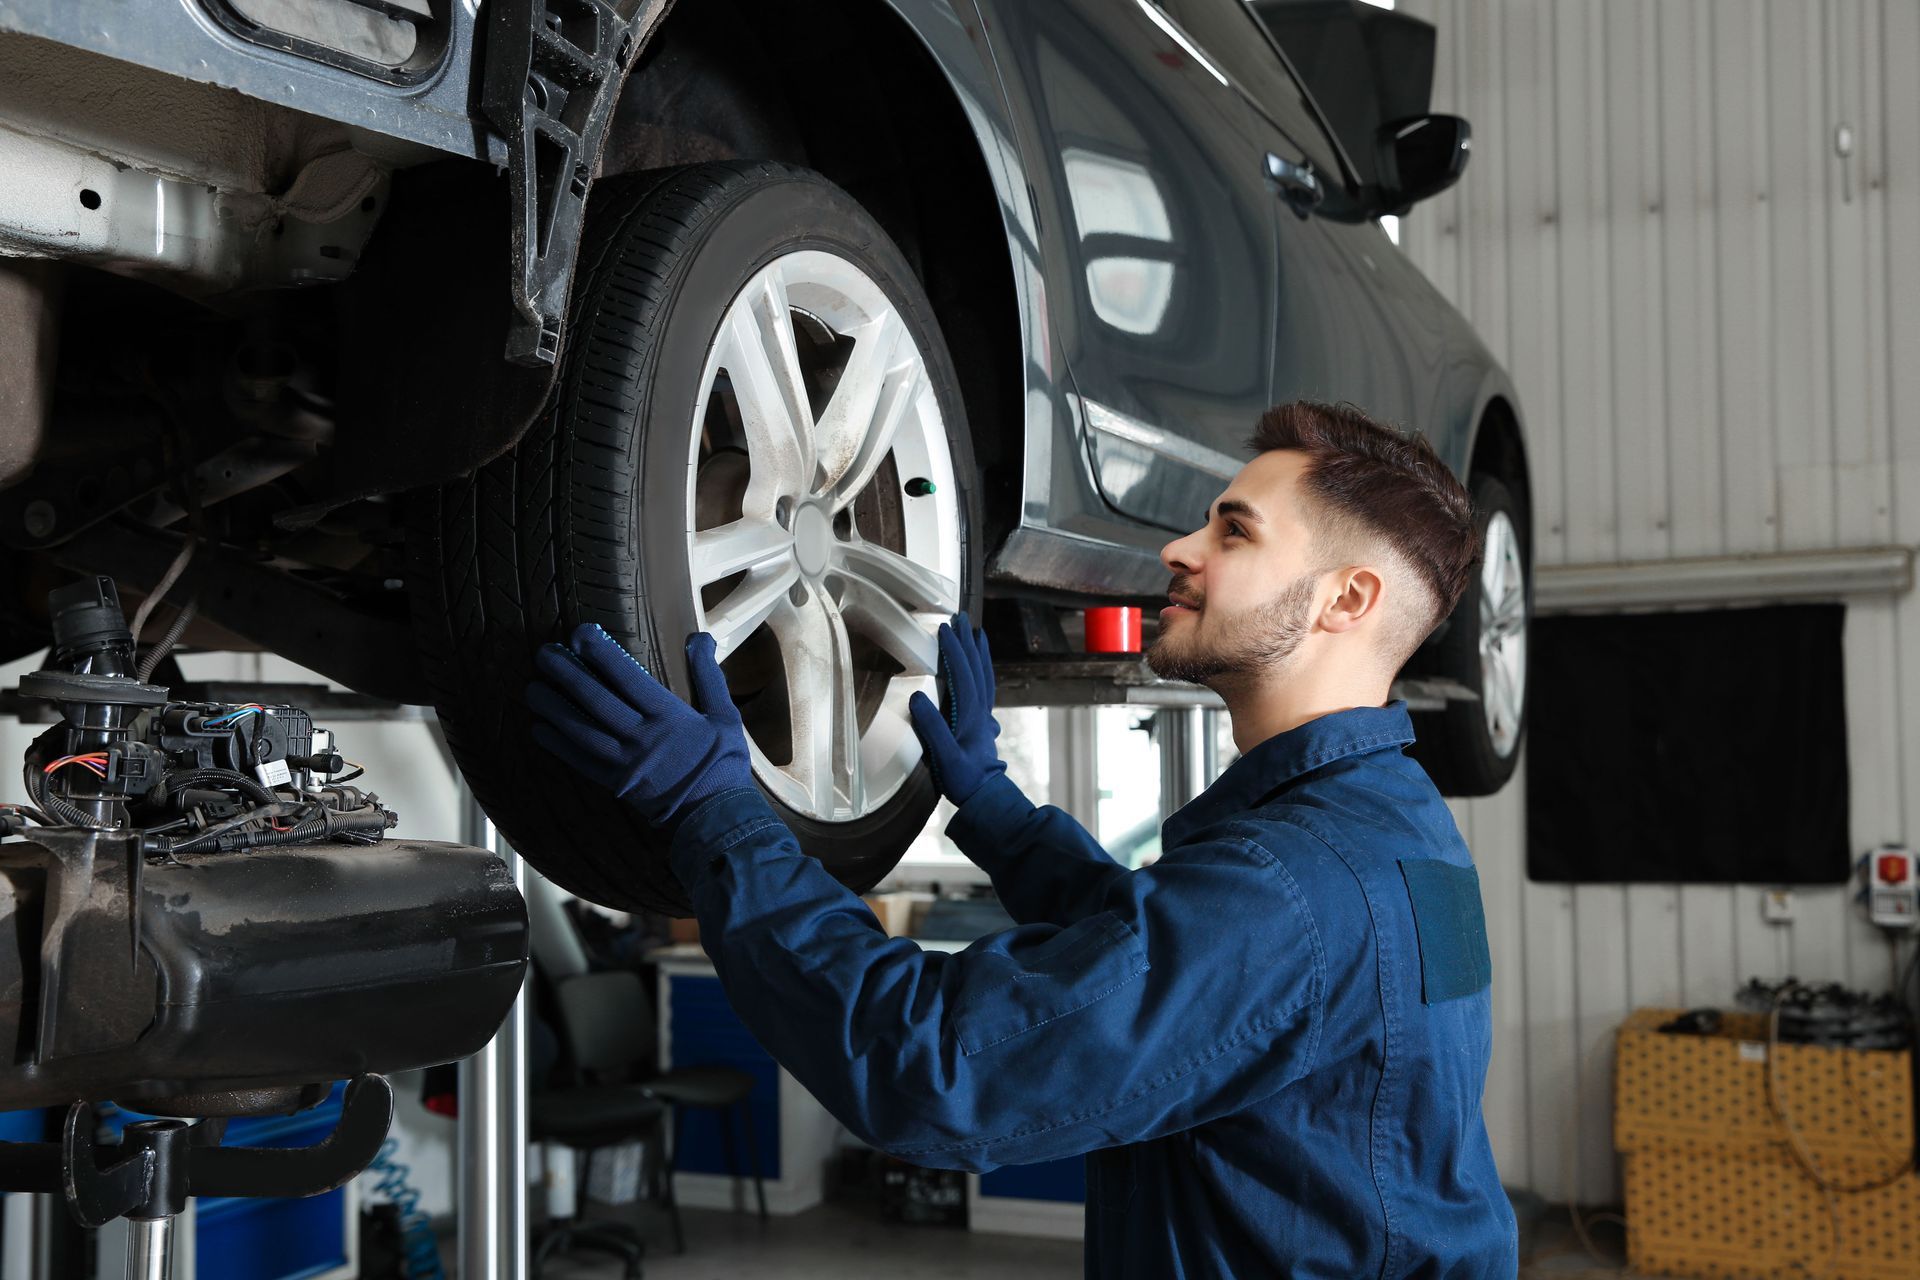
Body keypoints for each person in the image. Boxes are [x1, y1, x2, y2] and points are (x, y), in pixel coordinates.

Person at [524, 399, 1519, 1277]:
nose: (1178, 548)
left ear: (1348, 598)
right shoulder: (1397, 828)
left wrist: (719, 815)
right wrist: (996, 810)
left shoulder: (1291, 881)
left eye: (1233, 531)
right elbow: (1184, 975)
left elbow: (935, 1068)